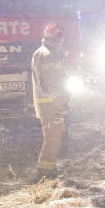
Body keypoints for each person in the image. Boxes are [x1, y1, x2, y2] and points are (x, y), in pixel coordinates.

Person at [31, 23, 70, 181]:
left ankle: (48, 170)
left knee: (53, 138)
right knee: (52, 139)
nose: (62, 40)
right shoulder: (46, 55)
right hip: (50, 105)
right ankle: (45, 174)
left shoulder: (47, 53)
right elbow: (49, 84)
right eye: (60, 37)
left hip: (50, 104)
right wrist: (61, 105)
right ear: (55, 38)